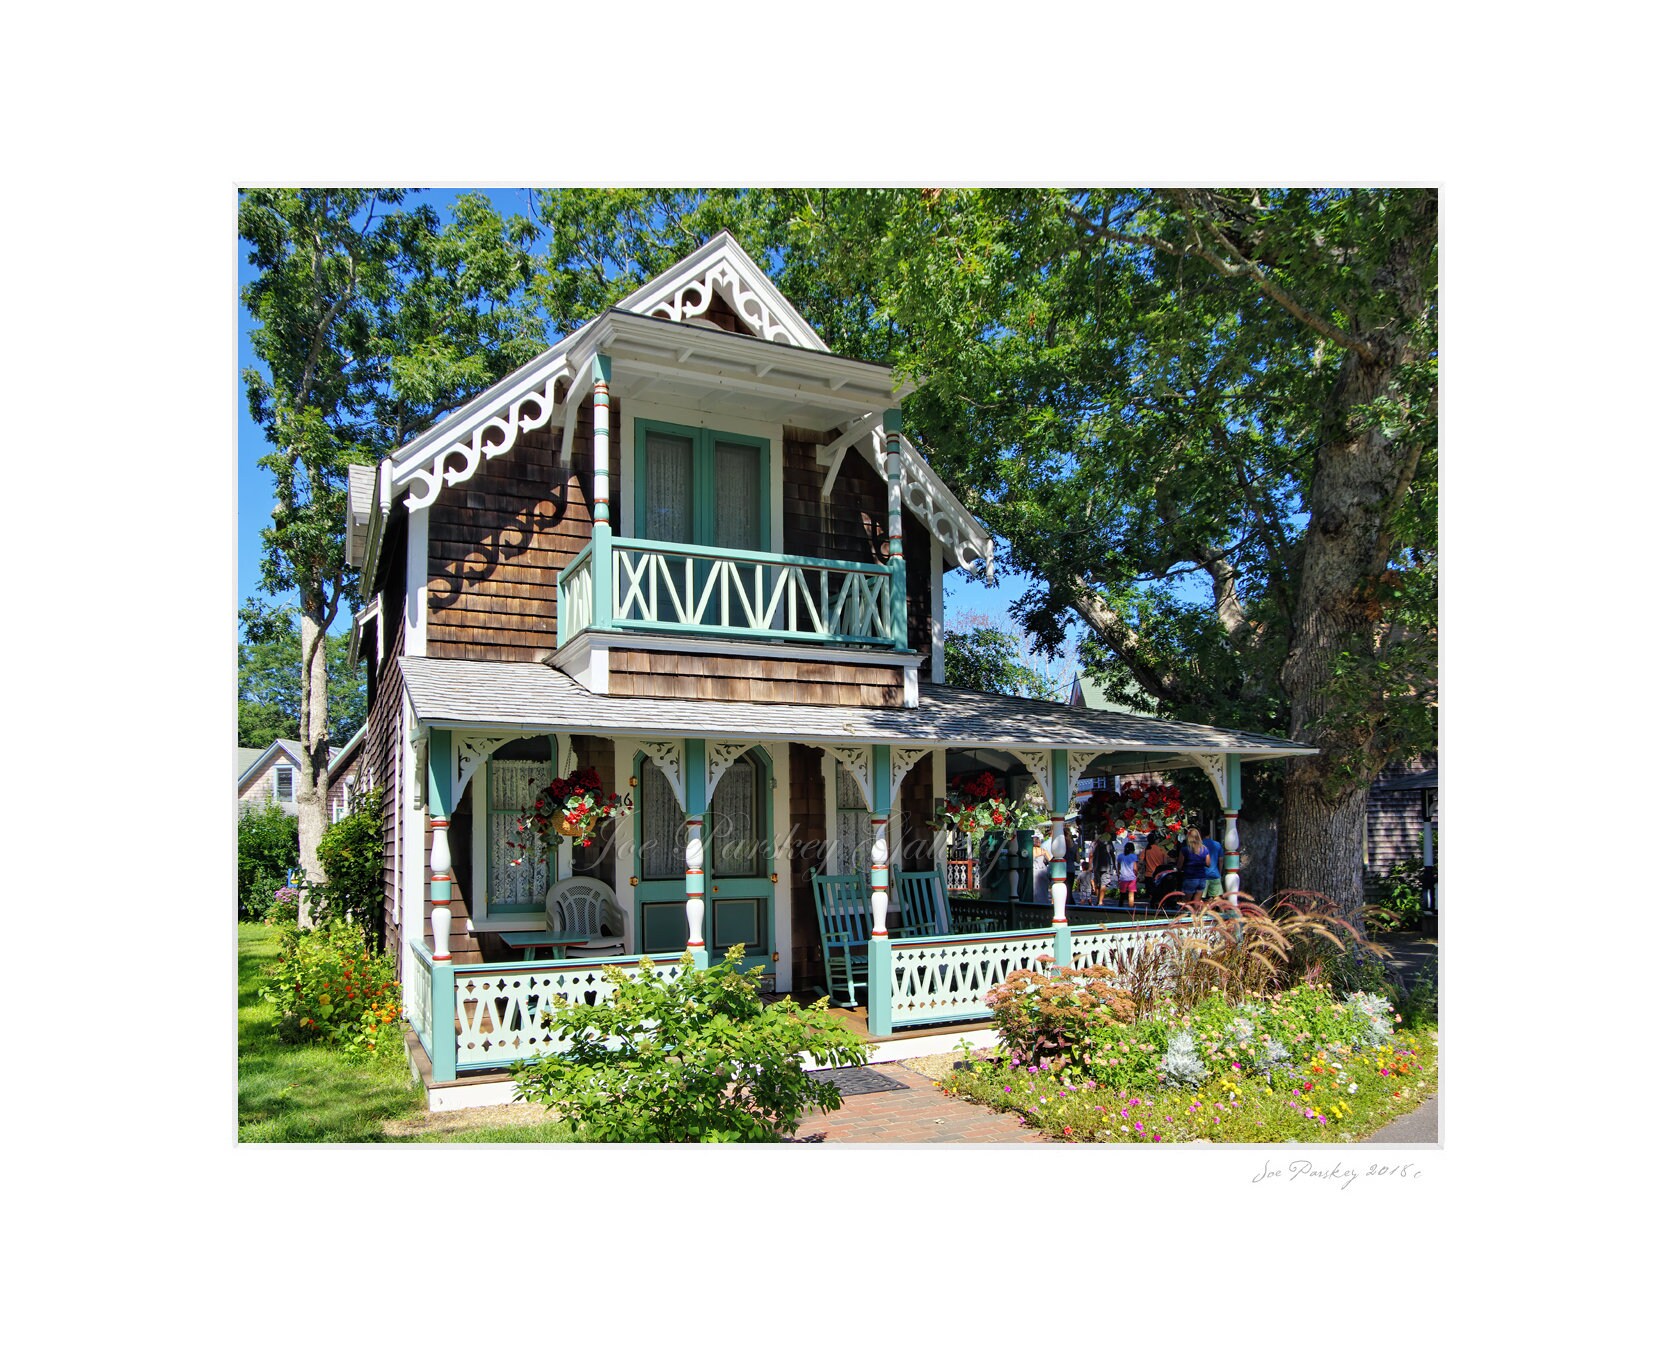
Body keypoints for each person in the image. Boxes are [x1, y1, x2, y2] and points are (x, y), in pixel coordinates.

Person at [1178, 827, 1214, 903]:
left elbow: (1179, 866)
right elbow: (1208, 864)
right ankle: (1196, 914)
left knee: (1186, 902)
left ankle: (1186, 914)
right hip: (1202, 878)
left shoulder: (1185, 850)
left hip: (1190, 877)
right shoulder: (1205, 849)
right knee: (1196, 903)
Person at [1091, 833, 1115, 907]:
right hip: (1106, 864)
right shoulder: (1108, 841)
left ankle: (1098, 900)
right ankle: (1101, 901)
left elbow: (1091, 854)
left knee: (1097, 884)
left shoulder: (1095, 842)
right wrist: (1114, 864)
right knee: (1103, 883)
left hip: (1096, 864)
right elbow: (1112, 853)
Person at [1117, 839, 1138, 909]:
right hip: (1132, 877)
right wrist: (1136, 874)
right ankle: (1131, 908)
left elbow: (1118, 867)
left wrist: (1118, 875)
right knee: (1131, 893)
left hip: (1123, 877)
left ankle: (1120, 906)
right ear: (1132, 849)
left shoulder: (1120, 856)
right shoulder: (1134, 856)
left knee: (1122, 893)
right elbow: (1135, 868)